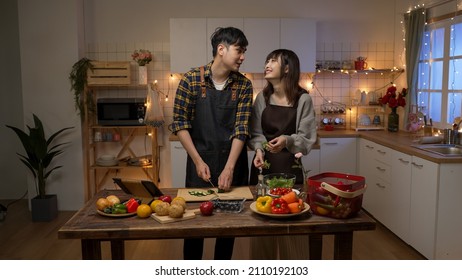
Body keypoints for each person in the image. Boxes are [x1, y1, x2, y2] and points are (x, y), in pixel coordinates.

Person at [171, 27, 253, 260]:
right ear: (221, 49)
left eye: (244, 51)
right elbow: (180, 123)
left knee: (227, 228)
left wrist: (229, 167)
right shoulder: (191, 80)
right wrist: (197, 160)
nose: (243, 57)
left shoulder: (244, 85)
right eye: (239, 50)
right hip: (200, 164)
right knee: (195, 227)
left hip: (233, 163)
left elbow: (241, 129)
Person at [248, 49, 317, 259]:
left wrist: (287, 140)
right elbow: (256, 133)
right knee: (262, 227)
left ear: (287, 68)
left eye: (273, 61)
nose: (266, 64)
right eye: (266, 60)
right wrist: (259, 149)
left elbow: (307, 139)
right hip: (262, 167)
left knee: (292, 227)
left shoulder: (303, 99)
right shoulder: (263, 97)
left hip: (290, 169)